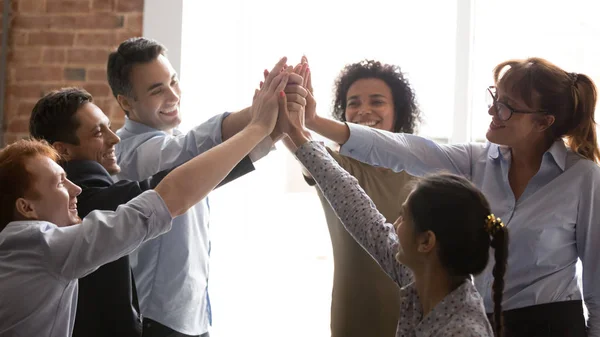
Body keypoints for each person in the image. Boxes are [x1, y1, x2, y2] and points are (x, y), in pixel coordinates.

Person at [303, 57, 600, 336]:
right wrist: (313, 121)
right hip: (484, 322)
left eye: (507, 107)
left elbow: (598, 285)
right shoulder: (478, 160)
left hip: (552, 325)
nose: (492, 111)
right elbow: (403, 149)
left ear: (543, 122)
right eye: (495, 98)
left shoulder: (582, 178)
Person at [0, 58, 289, 337]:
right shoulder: (51, 239)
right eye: (60, 183)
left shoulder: (22, 243)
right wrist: (258, 128)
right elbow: (168, 191)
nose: (115, 139)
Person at [107, 38, 306, 337]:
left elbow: (224, 155)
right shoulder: (132, 153)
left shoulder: (168, 140)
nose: (173, 95)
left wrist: (277, 110)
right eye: (157, 90)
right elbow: (191, 148)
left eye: (173, 81)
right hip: (157, 320)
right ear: (125, 102)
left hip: (193, 315)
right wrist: (258, 112)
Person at [276, 92, 507, 336]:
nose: (392, 225)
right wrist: (295, 131)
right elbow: (359, 211)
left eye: (403, 217)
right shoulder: (423, 274)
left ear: (427, 241)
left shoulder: (461, 330)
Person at [291, 58, 421, 337]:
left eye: (377, 102)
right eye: (354, 103)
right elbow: (301, 146)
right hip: (353, 318)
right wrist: (295, 109)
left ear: (397, 110)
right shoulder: (335, 165)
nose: (364, 110)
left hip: (418, 317)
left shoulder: (421, 172)